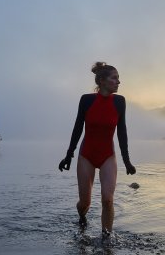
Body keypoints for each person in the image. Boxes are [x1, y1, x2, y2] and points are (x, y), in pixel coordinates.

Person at [58, 62, 136, 240]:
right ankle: (82, 217)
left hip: (108, 156)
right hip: (87, 155)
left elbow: (122, 131)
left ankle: (106, 238)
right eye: (114, 78)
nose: (118, 82)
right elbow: (78, 128)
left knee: (108, 199)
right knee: (85, 202)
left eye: (118, 78)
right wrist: (69, 154)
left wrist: (127, 161)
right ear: (102, 81)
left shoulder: (119, 101)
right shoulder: (86, 100)